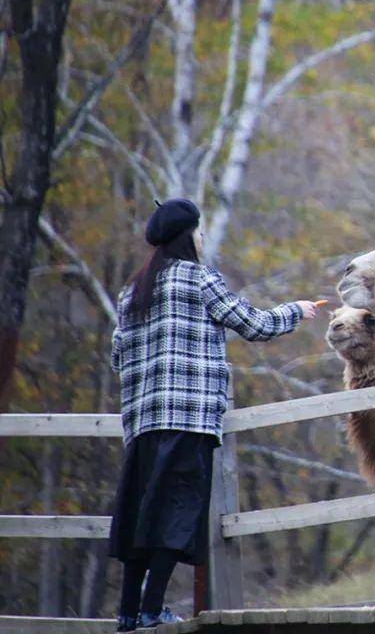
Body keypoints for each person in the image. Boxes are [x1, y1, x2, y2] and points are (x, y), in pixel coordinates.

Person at [108, 198, 325, 631]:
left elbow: (117, 356)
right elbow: (253, 324)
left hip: (143, 422)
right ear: (187, 235)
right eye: (200, 231)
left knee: (140, 514)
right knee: (176, 512)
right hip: (188, 418)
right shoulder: (199, 279)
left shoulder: (131, 292)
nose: (203, 238)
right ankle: (153, 610)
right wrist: (295, 311)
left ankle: (128, 613)